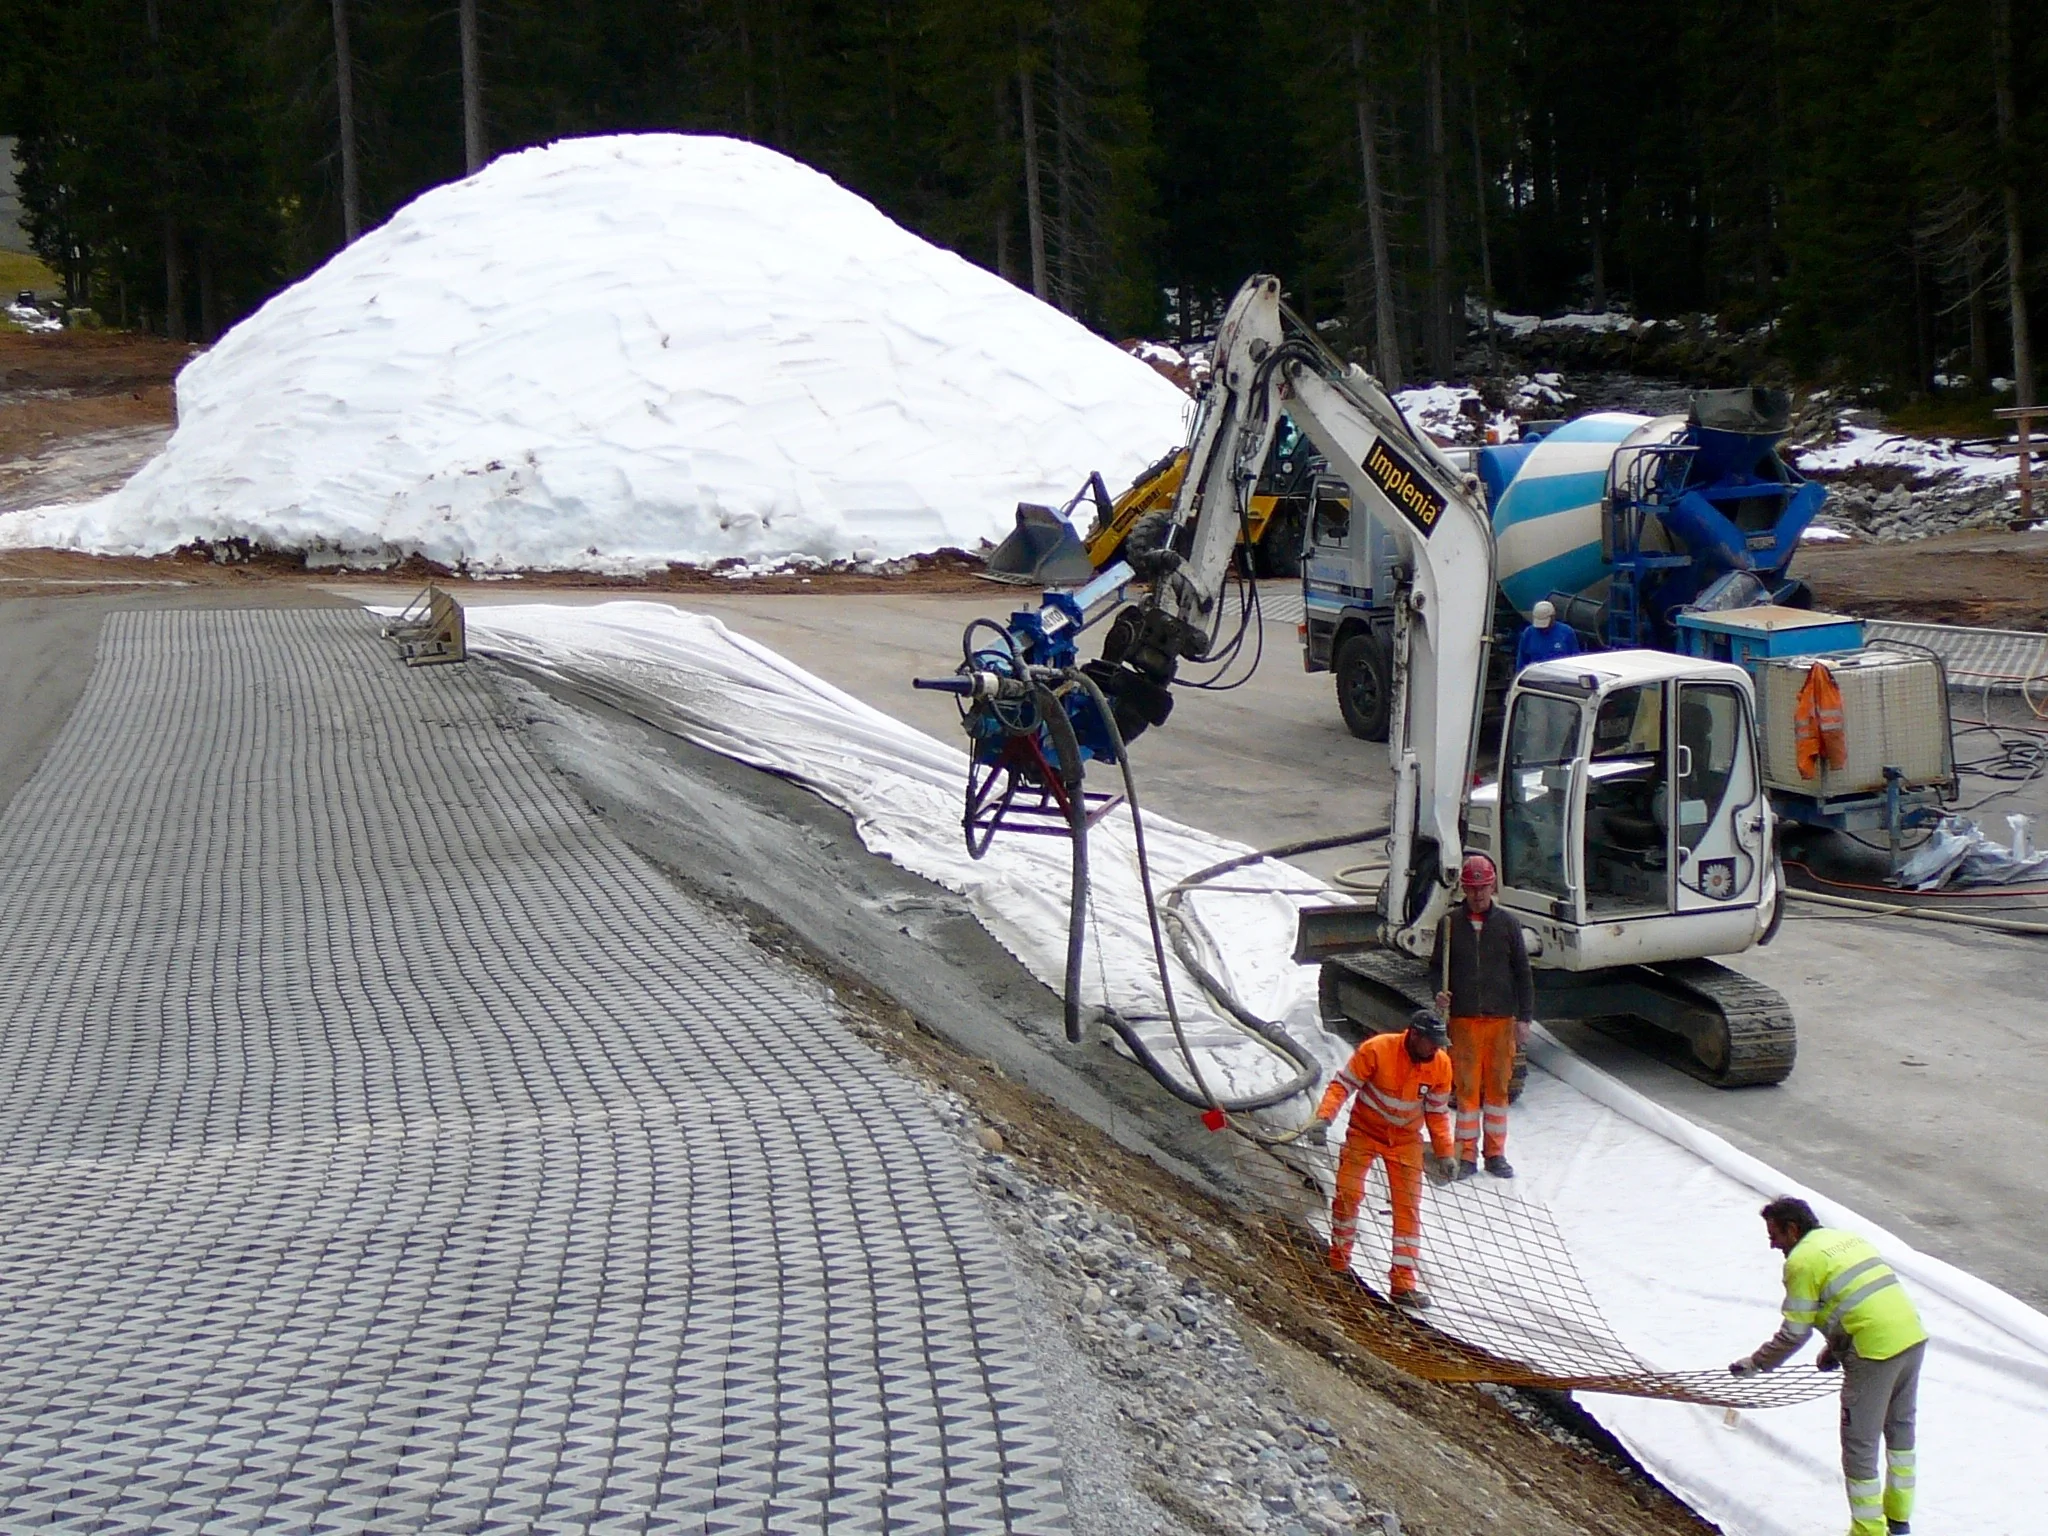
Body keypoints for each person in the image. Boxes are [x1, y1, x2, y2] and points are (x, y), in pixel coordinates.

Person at [1731, 1196, 1926, 1536]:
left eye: (1775, 1235)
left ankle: (1868, 1531)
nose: (1773, 1243)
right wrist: (1835, 1350)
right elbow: (1855, 1301)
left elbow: (1794, 1332)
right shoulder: (1845, 1239)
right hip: (1911, 1337)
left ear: (1793, 1229)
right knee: (1900, 1431)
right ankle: (1898, 1520)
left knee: (1859, 1446)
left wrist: (1756, 1363)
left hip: (1873, 1352)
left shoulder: (1801, 1262)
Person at [1311, 1010, 1457, 1309]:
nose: (1436, 1050)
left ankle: (1403, 1285)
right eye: (1432, 1043)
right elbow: (1343, 1085)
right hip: (1365, 1132)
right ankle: (1338, 1263)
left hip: (1405, 1142)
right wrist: (1324, 1118)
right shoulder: (1377, 1049)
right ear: (1414, 1036)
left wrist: (1445, 1152)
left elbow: (1438, 1113)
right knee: (1348, 1195)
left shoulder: (1440, 1065)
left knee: (1407, 1210)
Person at [1431, 853, 1535, 1179]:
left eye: (1483, 888)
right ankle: (1467, 1156)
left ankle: (1495, 1154)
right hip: (1464, 1021)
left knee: (1497, 1092)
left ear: (1492, 887)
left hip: (1501, 1021)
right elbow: (1436, 968)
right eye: (1472, 888)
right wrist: (1439, 993)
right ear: (1464, 888)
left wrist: (1524, 1018)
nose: (1478, 894)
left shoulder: (1508, 925)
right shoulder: (1449, 925)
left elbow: (1522, 973)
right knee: (1466, 1092)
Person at [1515, 599, 1581, 673]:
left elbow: (1575, 658)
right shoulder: (1528, 633)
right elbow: (1522, 661)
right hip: (1536, 675)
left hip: (1560, 675)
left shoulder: (1566, 632)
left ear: (1553, 617)